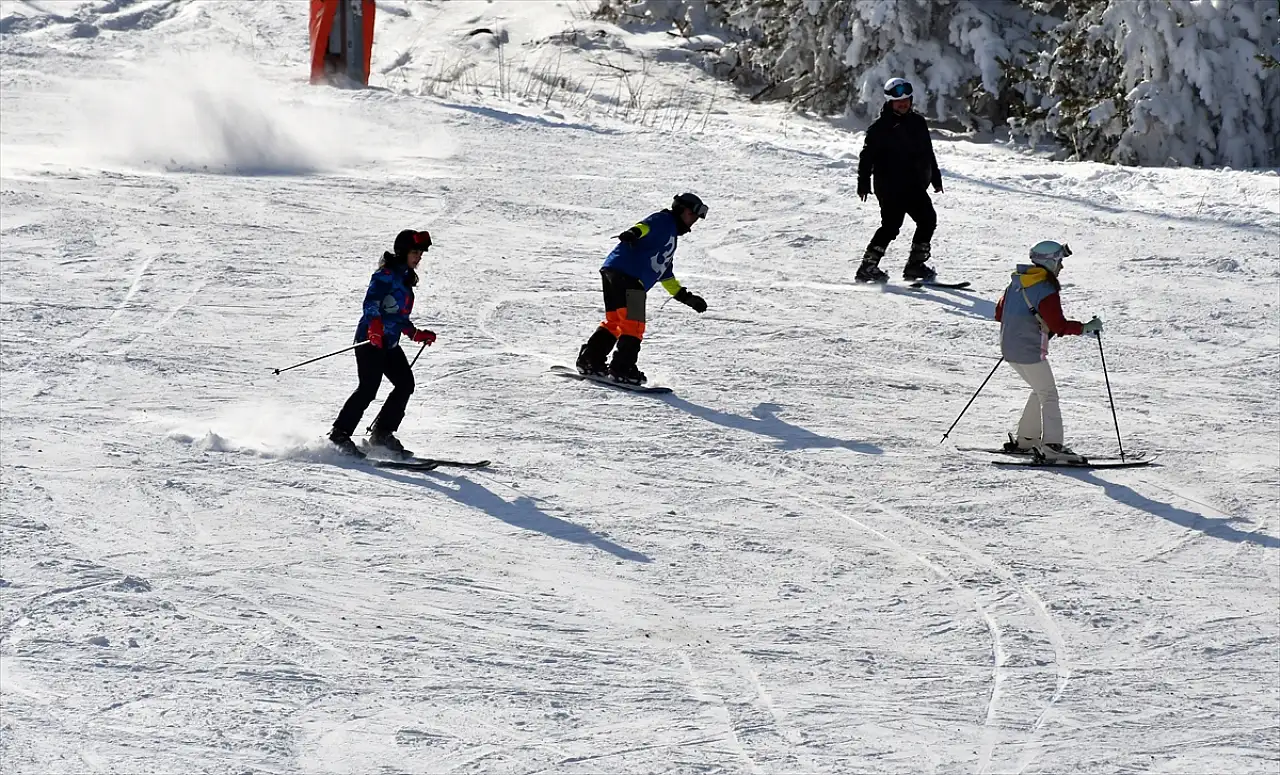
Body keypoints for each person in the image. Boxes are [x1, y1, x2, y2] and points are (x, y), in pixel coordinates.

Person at [575, 193, 710, 385]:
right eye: (692, 214)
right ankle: (622, 368)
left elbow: (666, 274)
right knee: (634, 325)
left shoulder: (669, 238)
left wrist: (687, 297)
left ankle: (591, 360)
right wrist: (633, 233)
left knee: (615, 321)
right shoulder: (664, 220)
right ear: (681, 210)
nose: (695, 220)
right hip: (630, 277)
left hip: (614, 271)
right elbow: (645, 226)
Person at [329, 229, 437, 458]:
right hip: (370, 340)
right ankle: (339, 434)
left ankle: (382, 433)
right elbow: (371, 303)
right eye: (415, 252)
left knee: (405, 383)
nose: (419, 257)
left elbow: (398, 317)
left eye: (421, 253)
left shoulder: (406, 280)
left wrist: (415, 333)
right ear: (402, 252)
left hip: (389, 343)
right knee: (368, 388)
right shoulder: (385, 275)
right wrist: (374, 326)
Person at [994, 240, 1103, 463]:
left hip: (1009, 348)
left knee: (1040, 389)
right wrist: (1085, 328)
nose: (1061, 267)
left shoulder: (1016, 283)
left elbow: (999, 313)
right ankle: (1052, 447)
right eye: (1059, 261)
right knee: (1049, 395)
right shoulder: (1044, 288)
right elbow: (1058, 325)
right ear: (1050, 262)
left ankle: (1027, 440)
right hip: (1029, 351)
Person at [855, 77, 944, 283]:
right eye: (898, 102)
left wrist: (936, 177)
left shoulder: (918, 122)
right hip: (890, 186)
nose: (903, 104)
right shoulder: (879, 128)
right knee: (891, 226)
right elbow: (866, 157)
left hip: (914, 185)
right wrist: (863, 182)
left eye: (906, 100)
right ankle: (867, 267)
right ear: (889, 102)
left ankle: (915, 266)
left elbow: (928, 153)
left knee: (927, 219)